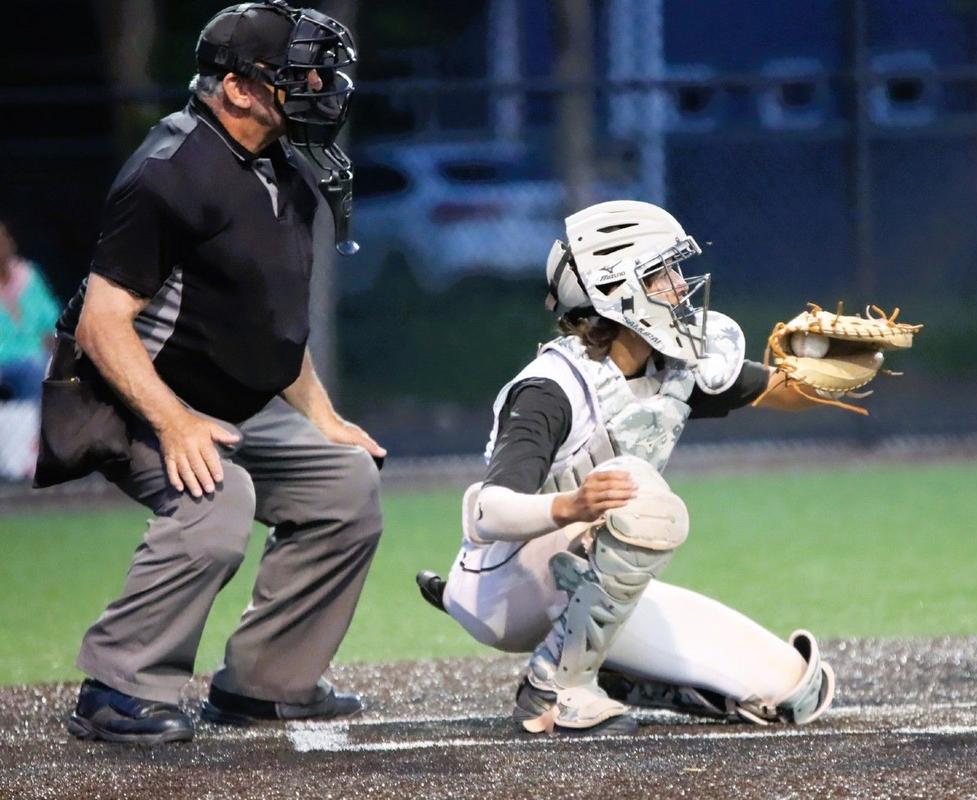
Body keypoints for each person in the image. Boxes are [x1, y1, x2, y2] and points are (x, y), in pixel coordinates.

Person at [44, 3, 384, 745]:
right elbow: (102, 323)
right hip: (120, 394)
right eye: (298, 74)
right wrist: (174, 424)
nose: (319, 86)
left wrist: (323, 417)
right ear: (236, 87)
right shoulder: (170, 172)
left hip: (220, 404)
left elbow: (273, 327)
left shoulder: (281, 168)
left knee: (345, 482)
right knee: (217, 499)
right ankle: (117, 689)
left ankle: (267, 684)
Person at [417, 200, 838, 735]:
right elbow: (487, 513)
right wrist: (570, 505)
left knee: (793, 688)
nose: (681, 287)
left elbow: (785, 390)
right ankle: (554, 687)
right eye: (662, 274)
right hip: (504, 587)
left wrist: (838, 367)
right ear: (617, 291)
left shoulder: (670, 365)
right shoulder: (552, 387)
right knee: (641, 495)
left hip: (582, 585)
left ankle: (618, 674)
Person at [0, 222, 57, 402]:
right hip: (8, 362)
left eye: (3, 238)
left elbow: (51, 320)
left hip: (39, 356)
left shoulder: (29, 275)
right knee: (34, 369)